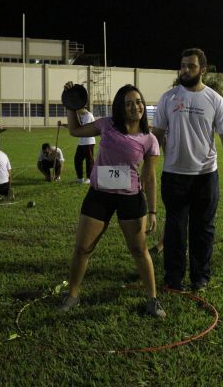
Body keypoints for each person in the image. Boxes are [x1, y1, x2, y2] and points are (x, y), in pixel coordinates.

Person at [59, 83, 165, 318]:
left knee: (139, 250)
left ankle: (153, 300)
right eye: (128, 103)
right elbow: (75, 130)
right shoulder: (107, 125)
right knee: (83, 248)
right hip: (99, 196)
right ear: (120, 107)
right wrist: (71, 104)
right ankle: (73, 295)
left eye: (138, 102)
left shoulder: (149, 139)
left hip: (130, 199)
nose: (135, 107)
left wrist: (153, 211)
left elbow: (149, 178)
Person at [152, 48, 223, 292]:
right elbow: (156, 136)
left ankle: (200, 277)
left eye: (191, 66)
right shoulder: (168, 98)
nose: (185, 70)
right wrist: (147, 168)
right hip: (174, 176)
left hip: (205, 176)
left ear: (203, 69)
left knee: (203, 229)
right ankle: (173, 277)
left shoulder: (215, 99)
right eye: (182, 65)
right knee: (175, 229)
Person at [73, 107, 95, 184]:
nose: (77, 112)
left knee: (89, 160)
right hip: (81, 142)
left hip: (88, 141)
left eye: (78, 110)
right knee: (77, 159)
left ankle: (89, 178)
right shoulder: (82, 116)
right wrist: (65, 125)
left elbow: (83, 127)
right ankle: (80, 178)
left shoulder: (88, 115)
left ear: (82, 108)